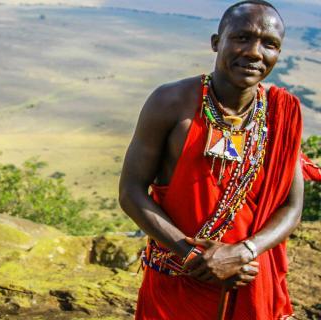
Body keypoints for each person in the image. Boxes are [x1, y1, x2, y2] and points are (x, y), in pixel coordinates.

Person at [118, 1, 307, 319]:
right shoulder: (170, 102)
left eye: (269, 44)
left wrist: (244, 252)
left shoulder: (282, 113)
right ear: (216, 41)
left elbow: (292, 206)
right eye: (242, 37)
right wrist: (192, 254)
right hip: (178, 280)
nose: (254, 52)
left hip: (247, 278)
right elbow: (131, 192)